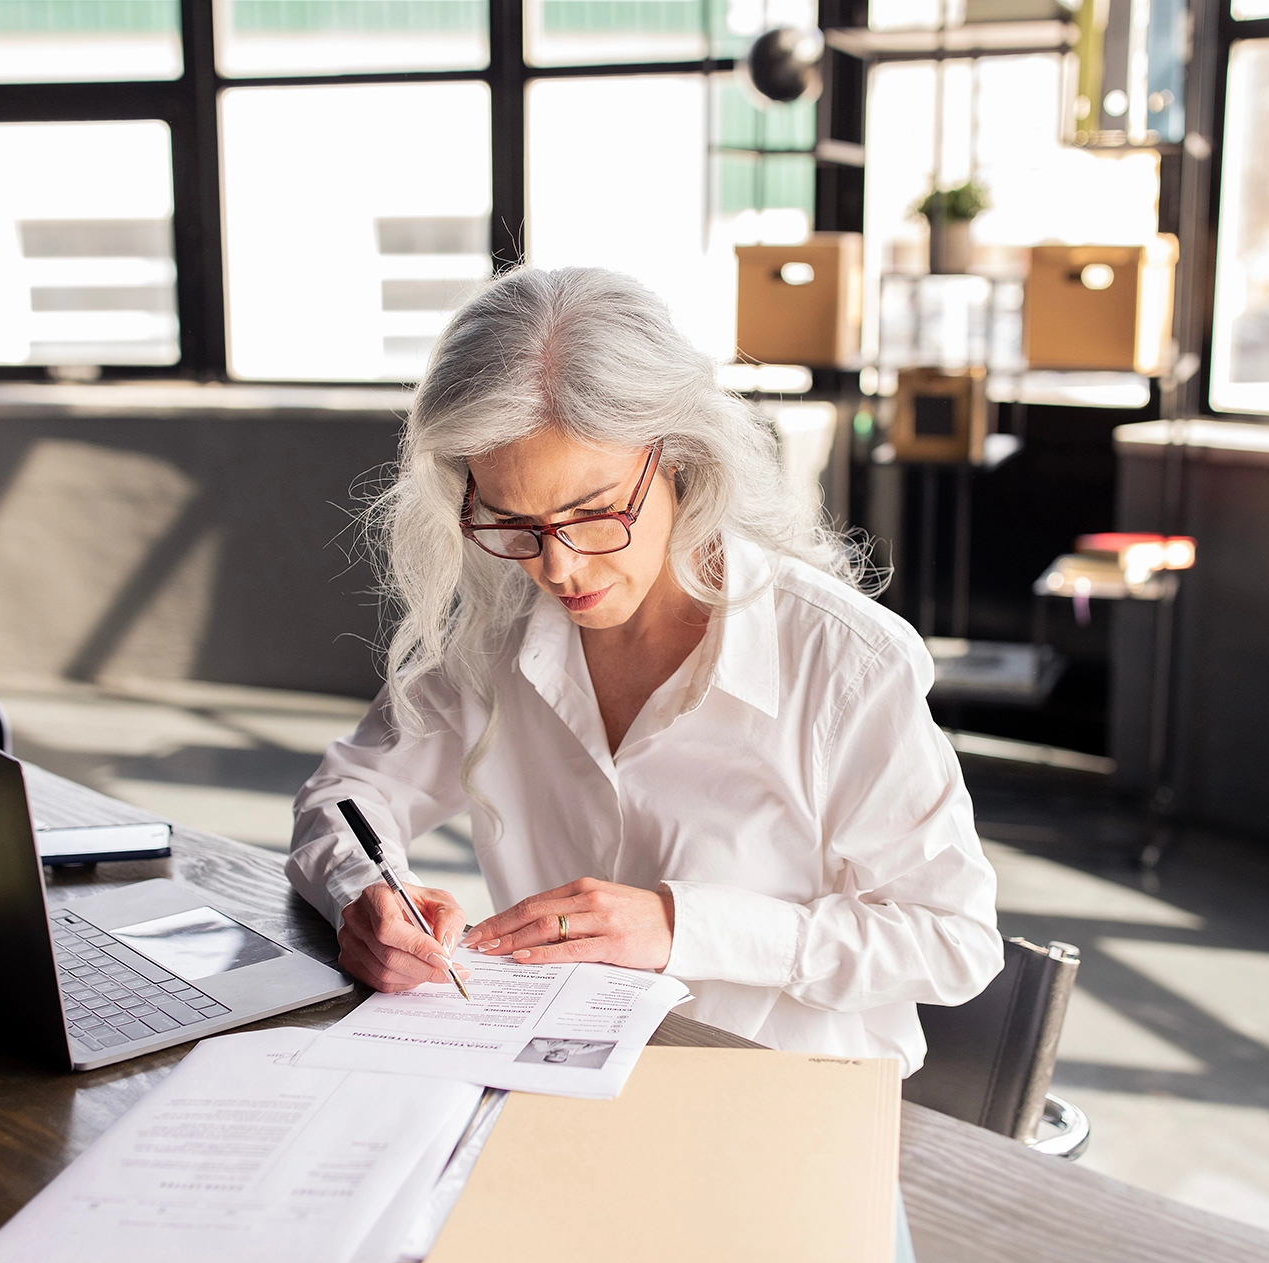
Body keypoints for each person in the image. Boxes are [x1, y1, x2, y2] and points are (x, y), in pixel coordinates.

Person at [288, 267, 1003, 1074]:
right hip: (556, 1073)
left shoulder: (844, 662)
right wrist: (365, 896)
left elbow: (954, 940)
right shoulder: (499, 632)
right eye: (514, 521)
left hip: (781, 1100)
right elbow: (346, 796)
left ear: (682, 459)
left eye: (594, 514)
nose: (558, 569)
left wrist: (680, 927)